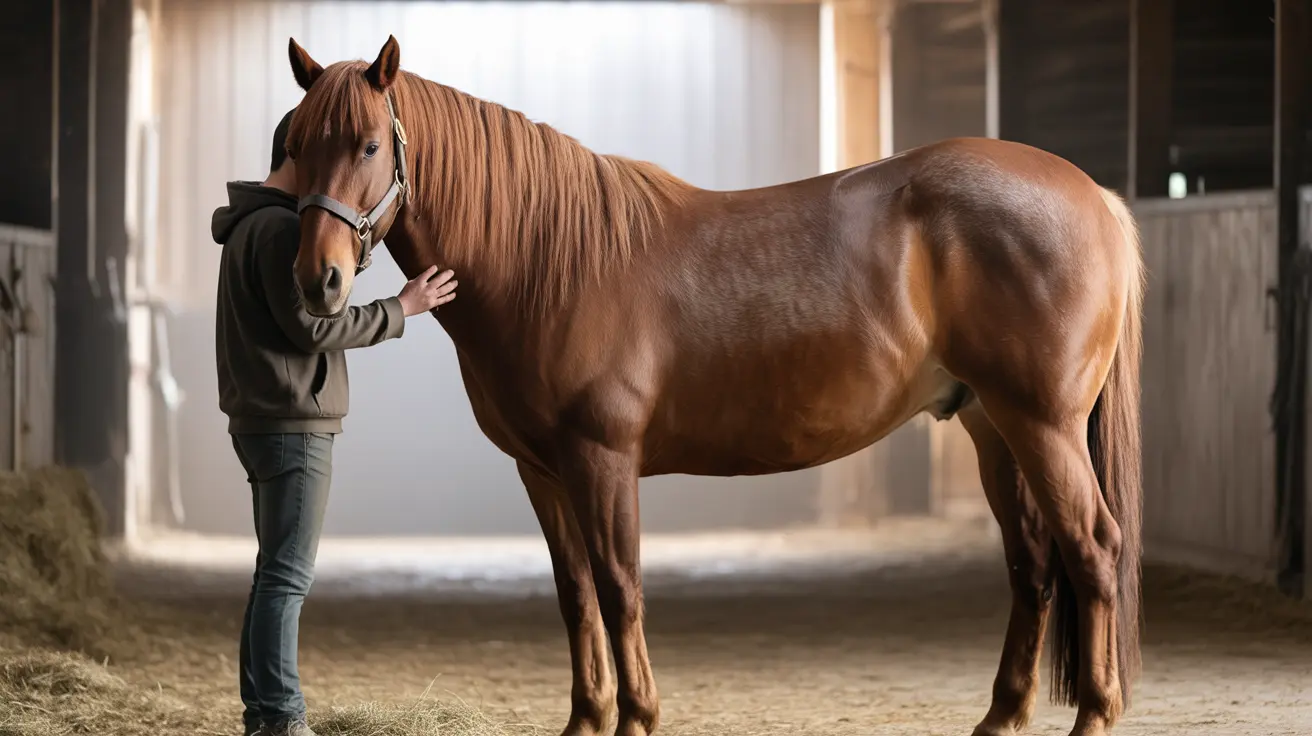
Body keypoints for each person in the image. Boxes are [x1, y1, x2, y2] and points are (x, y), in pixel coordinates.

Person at [210, 108, 456, 736]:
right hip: (294, 424)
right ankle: (284, 716)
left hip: (261, 420)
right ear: (296, 154)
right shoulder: (274, 231)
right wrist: (402, 309)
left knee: (272, 572)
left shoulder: (248, 227)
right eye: (317, 160)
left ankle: (262, 712)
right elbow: (313, 327)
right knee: (288, 578)